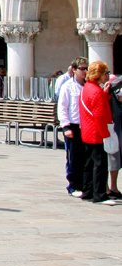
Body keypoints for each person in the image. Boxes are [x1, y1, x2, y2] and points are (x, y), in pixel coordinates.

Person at [79, 60, 116, 205]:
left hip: (88, 131)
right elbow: (100, 115)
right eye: (106, 73)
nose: (107, 75)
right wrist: (106, 134)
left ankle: (87, 192)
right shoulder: (96, 91)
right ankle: (100, 195)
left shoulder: (88, 88)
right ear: (99, 74)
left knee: (88, 163)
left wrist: (105, 94)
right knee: (100, 165)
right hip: (97, 132)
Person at [58, 58, 87, 196]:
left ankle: (85, 184)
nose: (85, 72)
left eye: (86, 68)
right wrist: (66, 126)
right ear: (74, 69)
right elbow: (63, 108)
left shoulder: (88, 86)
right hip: (73, 125)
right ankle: (73, 185)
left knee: (86, 156)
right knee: (74, 157)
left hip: (86, 125)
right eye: (82, 68)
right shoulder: (68, 86)